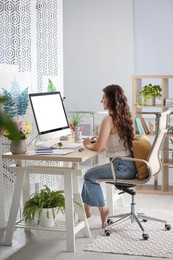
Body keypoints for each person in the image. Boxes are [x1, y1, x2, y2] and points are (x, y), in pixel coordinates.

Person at [81, 84, 136, 228]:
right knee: (91, 174)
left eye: (103, 97)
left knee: (88, 176)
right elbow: (113, 144)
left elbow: (98, 147)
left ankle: (102, 209)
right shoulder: (123, 117)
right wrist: (98, 142)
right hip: (129, 165)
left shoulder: (108, 119)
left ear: (111, 99)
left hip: (120, 166)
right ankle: (86, 208)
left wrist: (87, 144)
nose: (101, 101)